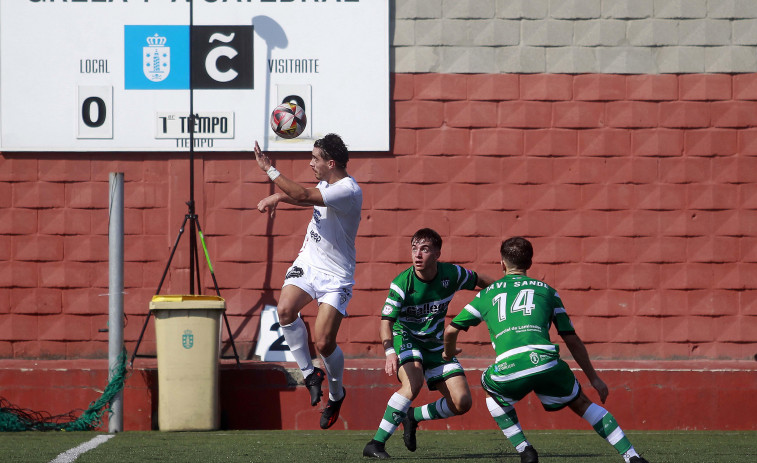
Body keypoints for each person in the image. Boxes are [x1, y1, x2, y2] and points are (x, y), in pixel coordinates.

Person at [443, 237, 650, 463]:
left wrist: (449, 352)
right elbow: (571, 339)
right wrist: (594, 378)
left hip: (509, 366)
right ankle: (632, 456)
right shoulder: (548, 291)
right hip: (547, 361)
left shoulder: (486, 294)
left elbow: (450, 331)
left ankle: (525, 450)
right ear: (530, 263)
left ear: (501, 263)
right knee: (581, 404)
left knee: (490, 391)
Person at [253, 134, 362, 429]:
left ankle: (336, 394)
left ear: (331, 162)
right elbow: (306, 197)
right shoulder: (328, 184)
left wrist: (269, 170)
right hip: (309, 263)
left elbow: (303, 196)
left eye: (315, 158)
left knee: (324, 342)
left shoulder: (348, 190)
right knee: (285, 310)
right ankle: (310, 373)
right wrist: (278, 196)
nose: (310, 163)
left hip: (336, 276)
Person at [363, 228, 495, 458]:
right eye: (414, 249)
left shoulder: (452, 274)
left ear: (437, 254)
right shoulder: (402, 283)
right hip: (406, 337)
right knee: (412, 384)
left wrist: (504, 291)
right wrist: (389, 351)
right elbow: (386, 321)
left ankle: (413, 416)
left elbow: (480, 280)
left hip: (435, 344)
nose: (417, 255)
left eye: (424, 249)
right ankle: (375, 444)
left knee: (462, 402)